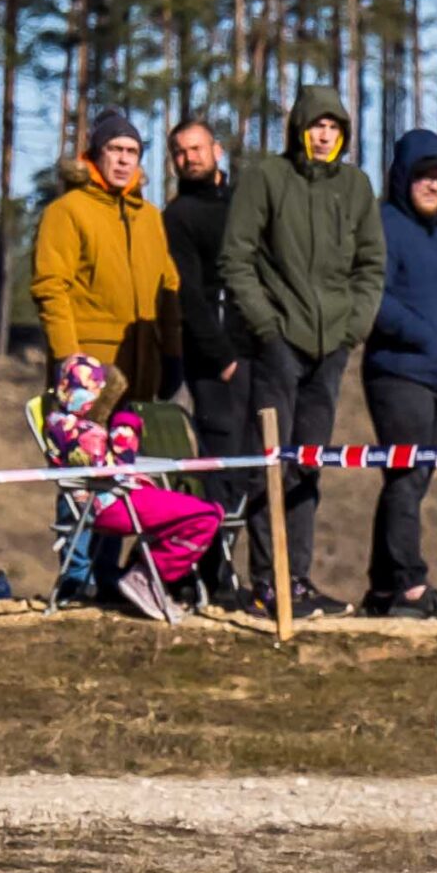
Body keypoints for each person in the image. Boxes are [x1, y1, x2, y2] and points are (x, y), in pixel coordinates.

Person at [220, 85, 385, 620]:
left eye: (334, 127)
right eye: (316, 125)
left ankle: (299, 578)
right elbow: (236, 259)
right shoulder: (268, 178)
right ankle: (267, 579)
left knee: (308, 465)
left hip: (331, 345)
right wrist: (267, 326)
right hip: (278, 343)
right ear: (299, 128)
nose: (324, 135)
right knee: (274, 464)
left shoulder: (355, 186)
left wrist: (351, 329)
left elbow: (371, 266)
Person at [362, 129, 437, 621]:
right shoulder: (385, 225)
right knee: (406, 478)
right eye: (424, 176)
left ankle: (383, 586)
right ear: (403, 177)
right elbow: (373, 296)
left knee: (413, 480)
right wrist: (423, 334)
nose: (433, 186)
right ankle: (410, 584)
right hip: (397, 372)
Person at [41, 355, 221, 626]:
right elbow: (116, 467)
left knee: (193, 513)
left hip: (111, 500)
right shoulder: (80, 430)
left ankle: (146, 574)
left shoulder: (59, 424)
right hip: (112, 503)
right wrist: (126, 427)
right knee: (206, 516)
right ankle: (149, 575)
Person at [32, 109, 182, 408]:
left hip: (143, 371)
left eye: (132, 151)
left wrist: (172, 354)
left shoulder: (151, 217)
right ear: (96, 154)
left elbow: (168, 289)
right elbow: (50, 287)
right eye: (115, 149)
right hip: (89, 370)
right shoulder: (67, 211)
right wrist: (67, 357)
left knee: (140, 455)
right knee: (84, 454)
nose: (124, 159)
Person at [163, 118, 251, 603]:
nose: (190, 158)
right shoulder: (177, 217)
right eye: (180, 152)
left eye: (197, 148)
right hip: (214, 363)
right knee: (219, 467)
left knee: (254, 467)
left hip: (259, 352)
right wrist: (222, 359)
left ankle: (254, 572)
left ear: (216, 149)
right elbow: (188, 295)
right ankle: (213, 574)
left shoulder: (243, 204)